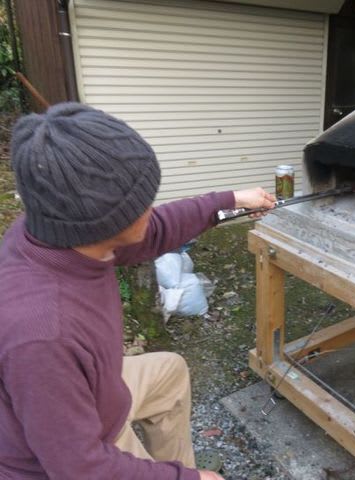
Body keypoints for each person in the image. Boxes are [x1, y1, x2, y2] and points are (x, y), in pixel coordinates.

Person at [0, 103, 276, 479]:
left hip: (95, 394)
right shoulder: (43, 334)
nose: (151, 209)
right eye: (142, 205)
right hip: (60, 458)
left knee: (169, 372)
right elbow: (80, 468)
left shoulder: (60, 229)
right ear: (106, 223)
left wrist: (230, 201)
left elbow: (155, 229)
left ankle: (174, 465)